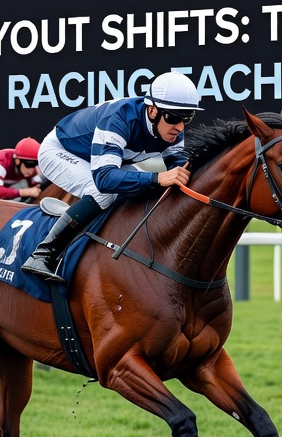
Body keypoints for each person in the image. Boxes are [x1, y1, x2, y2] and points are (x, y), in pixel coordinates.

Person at [21, 71, 201, 281]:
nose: (180, 127)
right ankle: (43, 253)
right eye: (174, 118)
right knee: (103, 193)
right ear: (152, 111)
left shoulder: (173, 130)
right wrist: (157, 178)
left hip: (103, 158)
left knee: (140, 189)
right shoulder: (119, 120)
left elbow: (179, 167)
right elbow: (104, 179)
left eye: (187, 117)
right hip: (61, 151)